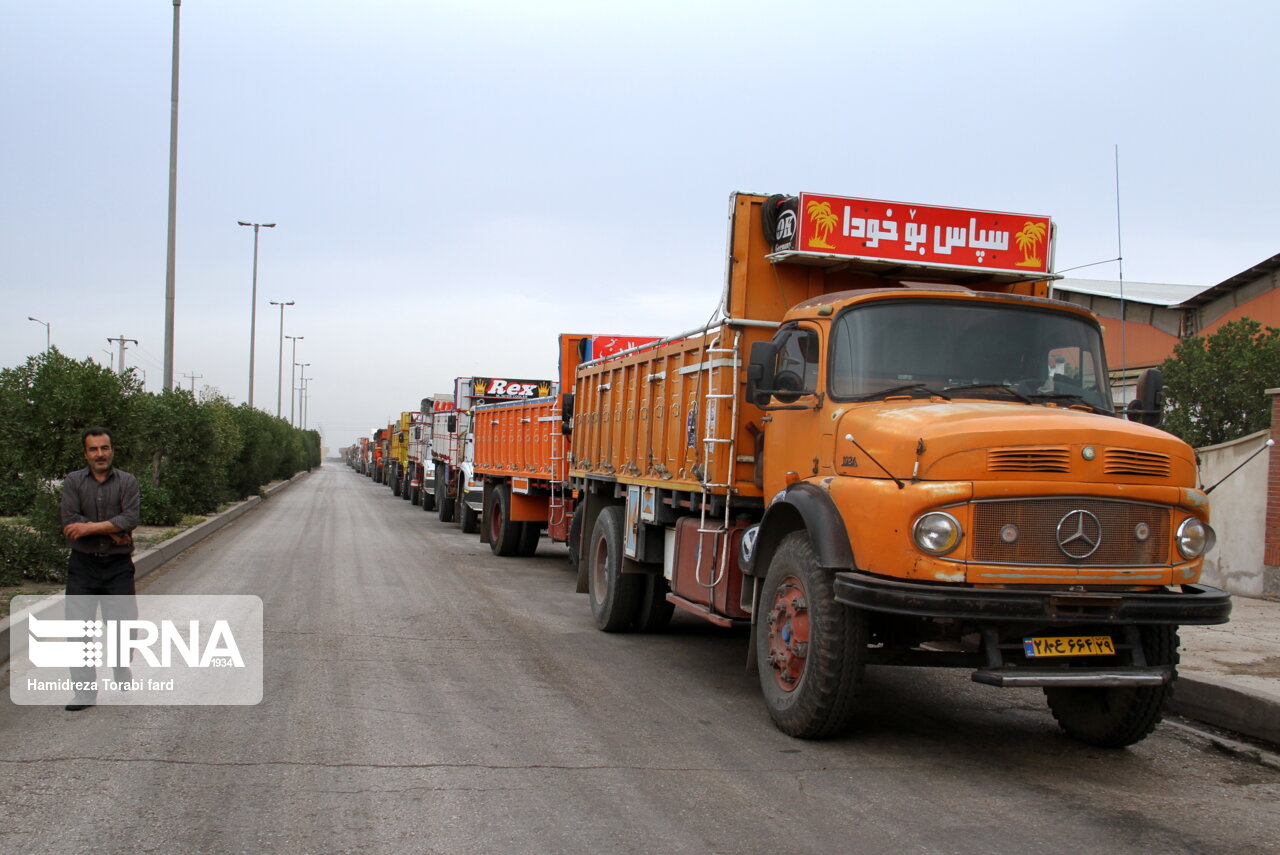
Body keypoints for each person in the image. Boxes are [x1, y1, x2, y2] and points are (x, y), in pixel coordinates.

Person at [60, 426, 140, 711]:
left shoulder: (128, 482)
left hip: (118, 566)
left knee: (124, 627)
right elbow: (70, 522)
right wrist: (112, 530)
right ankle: (84, 692)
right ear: (85, 453)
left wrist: (90, 527)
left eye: (104, 448)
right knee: (78, 630)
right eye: (93, 449)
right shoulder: (72, 482)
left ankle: (120, 665)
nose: (99, 454)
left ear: (112, 450)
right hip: (83, 566)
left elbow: (130, 518)